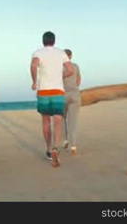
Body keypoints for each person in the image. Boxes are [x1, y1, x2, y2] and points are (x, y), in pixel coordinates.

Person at [31, 31, 74, 167]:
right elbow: (70, 70)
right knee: (58, 119)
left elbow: (33, 66)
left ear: (43, 41)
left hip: (43, 90)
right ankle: (56, 147)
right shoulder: (61, 53)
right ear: (54, 41)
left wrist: (34, 81)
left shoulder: (38, 53)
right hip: (57, 90)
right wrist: (61, 76)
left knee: (45, 120)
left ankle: (49, 149)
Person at [62, 49, 82, 156]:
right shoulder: (76, 66)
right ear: (71, 56)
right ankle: (73, 146)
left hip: (63, 95)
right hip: (74, 94)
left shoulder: (60, 68)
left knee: (62, 119)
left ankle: (65, 140)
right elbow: (79, 80)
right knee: (73, 121)